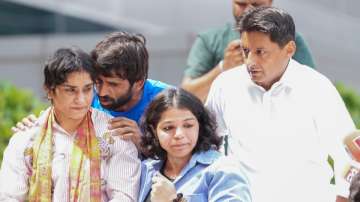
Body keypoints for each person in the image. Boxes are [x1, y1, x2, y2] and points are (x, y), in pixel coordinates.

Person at [206, 7, 355, 202]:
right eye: (246, 51)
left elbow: (350, 154)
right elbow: (206, 142)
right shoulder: (225, 85)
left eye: (260, 52)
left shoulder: (317, 88)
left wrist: (343, 197)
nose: (250, 61)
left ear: (289, 49)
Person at [0, 47, 140, 201]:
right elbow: (8, 196)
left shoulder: (114, 134)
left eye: (87, 89)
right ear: (49, 90)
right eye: (71, 90)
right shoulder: (26, 138)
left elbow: (125, 196)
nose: (81, 99)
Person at [12, 31, 170, 148]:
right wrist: (34, 127)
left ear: (139, 83)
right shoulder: (86, 96)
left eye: (113, 84)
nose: (101, 92)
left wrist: (145, 144)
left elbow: (189, 158)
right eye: (97, 82)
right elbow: (58, 127)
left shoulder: (169, 101)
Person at [181, 0, 316, 102]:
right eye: (241, 4)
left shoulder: (288, 38)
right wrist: (223, 67)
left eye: (256, 4)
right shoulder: (209, 40)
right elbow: (187, 96)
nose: (249, 10)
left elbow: (311, 89)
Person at [138, 88, 251, 202]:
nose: (179, 134)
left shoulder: (222, 170)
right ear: (154, 131)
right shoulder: (145, 169)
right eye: (168, 128)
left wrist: (172, 200)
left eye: (188, 125)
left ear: (200, 126)